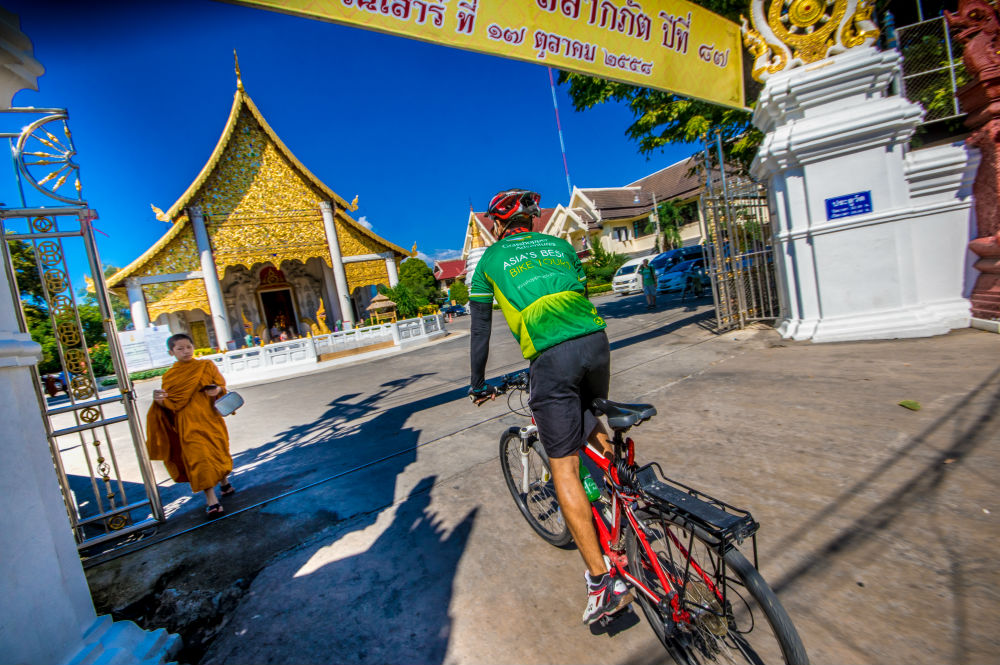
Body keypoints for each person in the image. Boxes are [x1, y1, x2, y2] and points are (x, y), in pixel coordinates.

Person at [467, 189, 634, 625]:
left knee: (563, 469)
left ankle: (602, 581)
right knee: (591, 423)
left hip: (551, 357)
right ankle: (626, 507)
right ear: (533, 220)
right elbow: (574, 296)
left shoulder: (487, 263)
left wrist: (477, 384)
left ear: (498, 226)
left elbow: (480, 333)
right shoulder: (560, 246)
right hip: (596, 344)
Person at [145, 333, 235, 516]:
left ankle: (224, 482)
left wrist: (216, 390)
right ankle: (212, 499)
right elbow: (171, 404)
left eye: (188, 347)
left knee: (217, 453)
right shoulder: (170, 376)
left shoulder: (206, 366)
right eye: (180, 348)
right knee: (199, 459)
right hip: (188, 424)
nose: (186, 351)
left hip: (211, 419)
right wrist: (159, 401)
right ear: (171, 352)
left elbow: (221, 387)